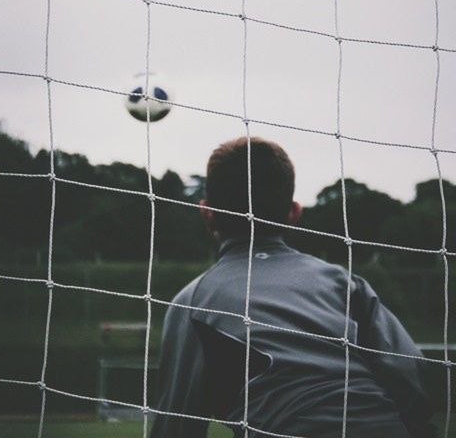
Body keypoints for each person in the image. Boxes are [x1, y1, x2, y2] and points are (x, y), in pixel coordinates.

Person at [150, 137, 434, 438]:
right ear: (295, 213)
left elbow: (176, 426)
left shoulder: (194, 301)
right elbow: (410, 372)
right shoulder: (342, 282)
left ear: (206, 212)